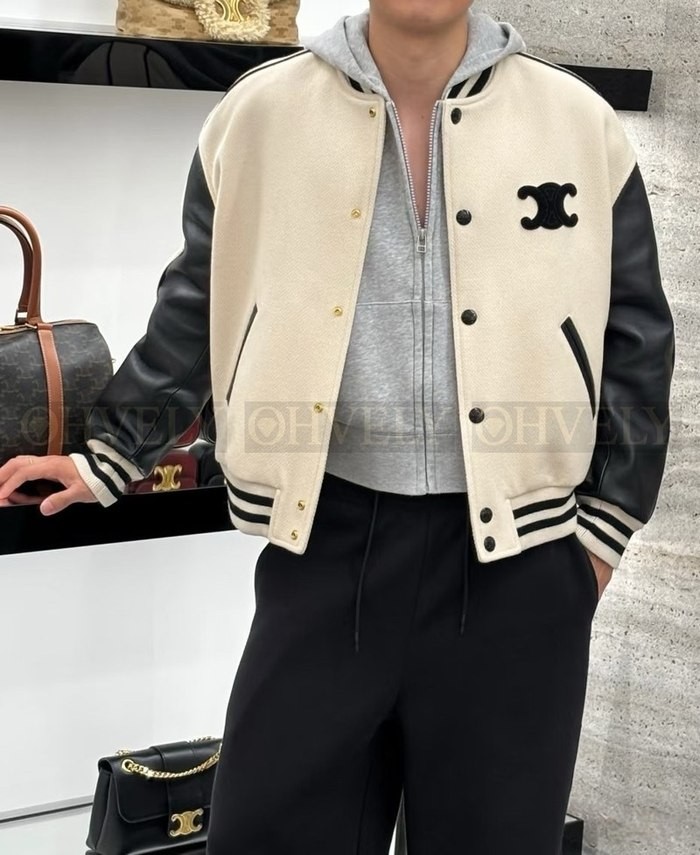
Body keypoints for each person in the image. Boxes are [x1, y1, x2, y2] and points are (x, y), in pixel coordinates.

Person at [0, 2, 675, 853]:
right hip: (325, 549)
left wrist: (600, 537)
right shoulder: (260, 112)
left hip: (522, 568)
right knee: (264, 831)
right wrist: (107, 455)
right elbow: (200, 303)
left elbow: (638, 338)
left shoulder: (579, 122)